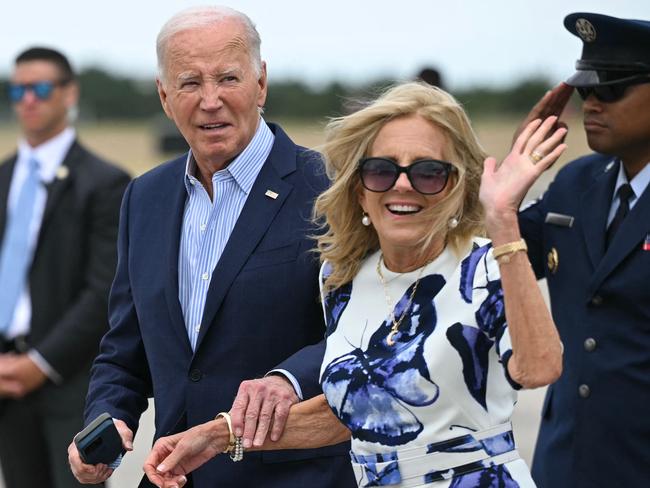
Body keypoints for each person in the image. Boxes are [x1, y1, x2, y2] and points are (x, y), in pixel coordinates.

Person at [142, 82, 567, 488]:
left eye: (429, 172)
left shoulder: (489, 265)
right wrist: (216, 436)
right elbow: (351, 414)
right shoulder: (342, 278)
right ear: (359, 191)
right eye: (381, 170)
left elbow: (539, 368)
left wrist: (503, 221)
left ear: (456, 188)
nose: (403, 185)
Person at [67, 6, 355, 488]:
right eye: (189, 83)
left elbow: (358, 336)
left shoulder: (330, 189)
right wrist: (106, 419)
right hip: (174, 478)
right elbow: (124, 348)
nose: (210, 100)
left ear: (261, 83)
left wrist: (286, 380)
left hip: (296, 477)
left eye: (228, 78)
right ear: (164, 95)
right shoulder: (144, 197)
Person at [515, 12, 650, 488]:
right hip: (564, 463)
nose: (592, 103)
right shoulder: (576, 182)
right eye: (585, 90)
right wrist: (510, 176)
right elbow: (496, 259)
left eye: (611, 89)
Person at [0, 47, 130, 488]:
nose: (28, 100)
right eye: (19, 89)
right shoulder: (3, 177)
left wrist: (40, 361)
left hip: (70, 379)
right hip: (4, 378)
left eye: (40, 88)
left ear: (69, 93)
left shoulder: (106, 183)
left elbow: (103, 290)